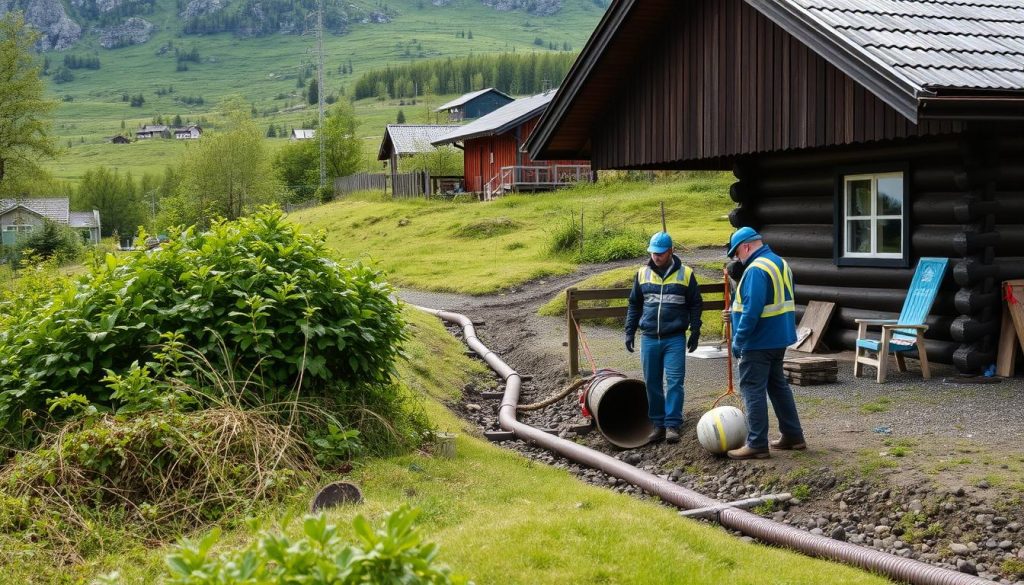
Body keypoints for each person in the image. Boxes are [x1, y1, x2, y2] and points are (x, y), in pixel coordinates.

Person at [724, 227, 806, 460]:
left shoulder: (756, 269)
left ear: (746, 246)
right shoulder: (779, 263)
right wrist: (734, 314)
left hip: (757, 341)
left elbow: (753, 310)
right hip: (778, 338)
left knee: (752, 389)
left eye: (736, 252)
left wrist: (738, 340)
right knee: (778, 387)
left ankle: (757, 443)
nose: (737, 258)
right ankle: (793, 435)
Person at [624, 231, 703, 445]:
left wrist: (695, 330)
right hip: (649, 337)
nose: (655, 257)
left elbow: (695, 303)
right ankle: (658, 423)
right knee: (652, 382)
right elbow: (634, 303)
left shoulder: (686, 274)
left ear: (671, 251)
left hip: (674, 338)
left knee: (675, 381)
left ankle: (672, 424)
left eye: (660, 253)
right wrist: (629, 330)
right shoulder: (642, 274)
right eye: (652, 253)